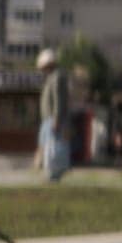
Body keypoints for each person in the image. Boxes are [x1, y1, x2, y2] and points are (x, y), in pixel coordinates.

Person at [37, 47, 69, 181]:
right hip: (47, 119)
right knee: (46, 145)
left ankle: (53, 174)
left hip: (52, 119)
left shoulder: (56, 77)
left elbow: (58, 99)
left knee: (52, 148)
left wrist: (56, 118)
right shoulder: (50, 78)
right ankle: (49, 172)